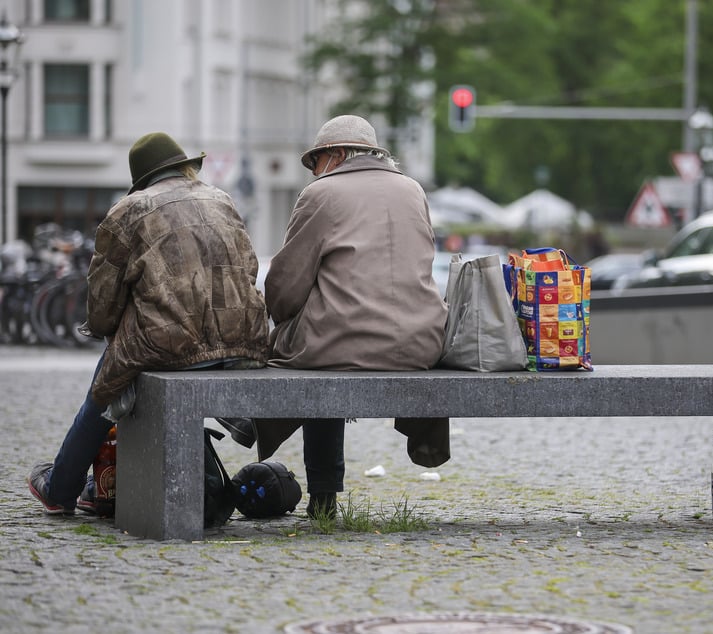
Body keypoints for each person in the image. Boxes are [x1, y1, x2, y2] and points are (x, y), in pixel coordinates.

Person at [27, 132, 270, 515]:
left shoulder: (128, 210)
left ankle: (60, 489)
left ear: (140, 179)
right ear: (184, 167)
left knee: (106, 382)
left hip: (171, 344)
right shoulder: (221, 199)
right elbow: (248, 269)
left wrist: (114, 328)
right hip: (245, 339)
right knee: (128, 358)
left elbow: (103, 303)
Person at [231, 114, 448, 519]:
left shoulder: (322, 195)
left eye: (315, 163)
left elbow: (287, 282)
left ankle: (317, 490)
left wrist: (281, 317)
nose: (314, 173)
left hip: (345, 341)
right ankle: (259, 434)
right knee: (323, 340)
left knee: (304, 349)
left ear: (333, 155)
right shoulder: (413, 189)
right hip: (422, 342)